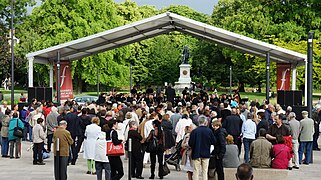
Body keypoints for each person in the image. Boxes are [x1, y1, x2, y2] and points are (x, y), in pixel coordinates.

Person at [189, 115, 216, 180]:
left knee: (196, 171)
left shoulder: (194, 131)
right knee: (205, 171)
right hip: (206, 153)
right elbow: (214, 141)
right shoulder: (209, 131)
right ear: (205, 122)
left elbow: (190, 143)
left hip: (196, 152)